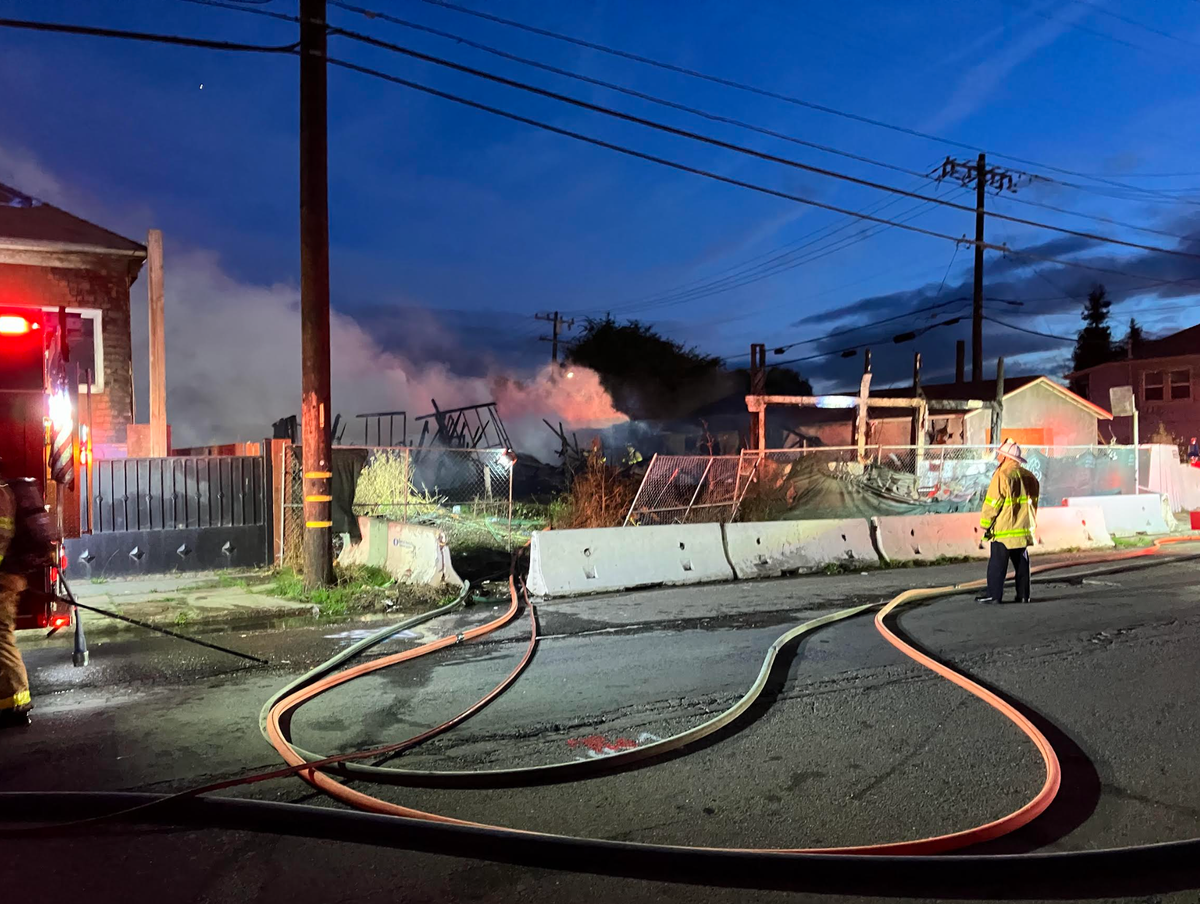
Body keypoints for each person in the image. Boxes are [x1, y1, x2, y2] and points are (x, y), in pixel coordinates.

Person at [0, 473, 56, 729]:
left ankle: (17, 703)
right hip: (9, 574)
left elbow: (1, 537)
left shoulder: (1, 494)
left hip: (4, 577)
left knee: (1, 639)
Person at [975, 440, 1040, 605]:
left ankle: (994, 595)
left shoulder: (1002, 475)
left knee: (997, 565)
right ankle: (1024, 595)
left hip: (1004, 530)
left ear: (1006, 457)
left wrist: (986, 523)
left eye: (1000, 454)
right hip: (1023, 529)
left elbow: (993, 503)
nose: (998, 457)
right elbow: (1033, 504)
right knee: (1022, 564)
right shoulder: (1030, 477)